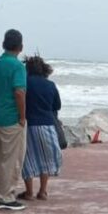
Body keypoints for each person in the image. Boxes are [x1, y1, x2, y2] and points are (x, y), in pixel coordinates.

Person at [0, 29, 28, 211]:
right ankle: (6, 196)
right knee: (11, 159)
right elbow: (19, 92)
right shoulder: (17, 66)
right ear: (20, 46)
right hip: (10, 117)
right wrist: (22, 117)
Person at [19, 55, 63, 200]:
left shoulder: (25, 83)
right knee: (46, 158)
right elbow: (57, 106)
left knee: (27, 158)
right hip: (48, 125)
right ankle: (43, 191)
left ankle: (29, 192)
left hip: (29, 125)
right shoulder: (50, 85)